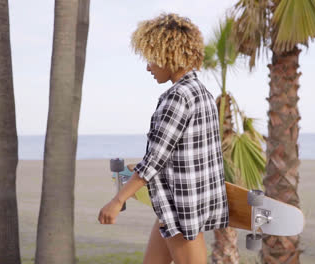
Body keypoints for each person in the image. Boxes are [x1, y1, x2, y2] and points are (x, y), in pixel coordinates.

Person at [98, 13, 229, 264]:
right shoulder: (202, 93)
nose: (148, 67)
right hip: (183, 206)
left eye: (151, 58)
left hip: (181, 211)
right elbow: (186, 153)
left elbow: (155, 160)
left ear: (168, 54)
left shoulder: (177, 97)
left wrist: (118, 200)